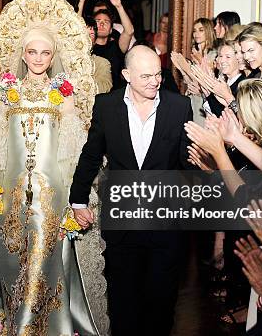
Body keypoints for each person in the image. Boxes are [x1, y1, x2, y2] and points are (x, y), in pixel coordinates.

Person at [0, 0, 107, 335]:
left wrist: (77, 199)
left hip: (50, 199)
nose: (38, 58)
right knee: (12, 266)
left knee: (44, 266)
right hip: (10, 197)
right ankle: (12, 324)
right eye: (32, 52)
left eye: (45, 52)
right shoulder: (6, 91)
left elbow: (73, 152)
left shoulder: (64, 95)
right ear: (22, 55)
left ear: (54, 54)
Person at [70, 45, 192, 335]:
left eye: (158, 75)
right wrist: (77, 200)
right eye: (146, 76)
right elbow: (90, 155)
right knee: (124, 301)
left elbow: (189, 165)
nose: (154, 81)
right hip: (122, 221)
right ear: (126, 75)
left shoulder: (179, 107)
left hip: (166, 222)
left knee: (161, 303)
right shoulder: (106, 105)